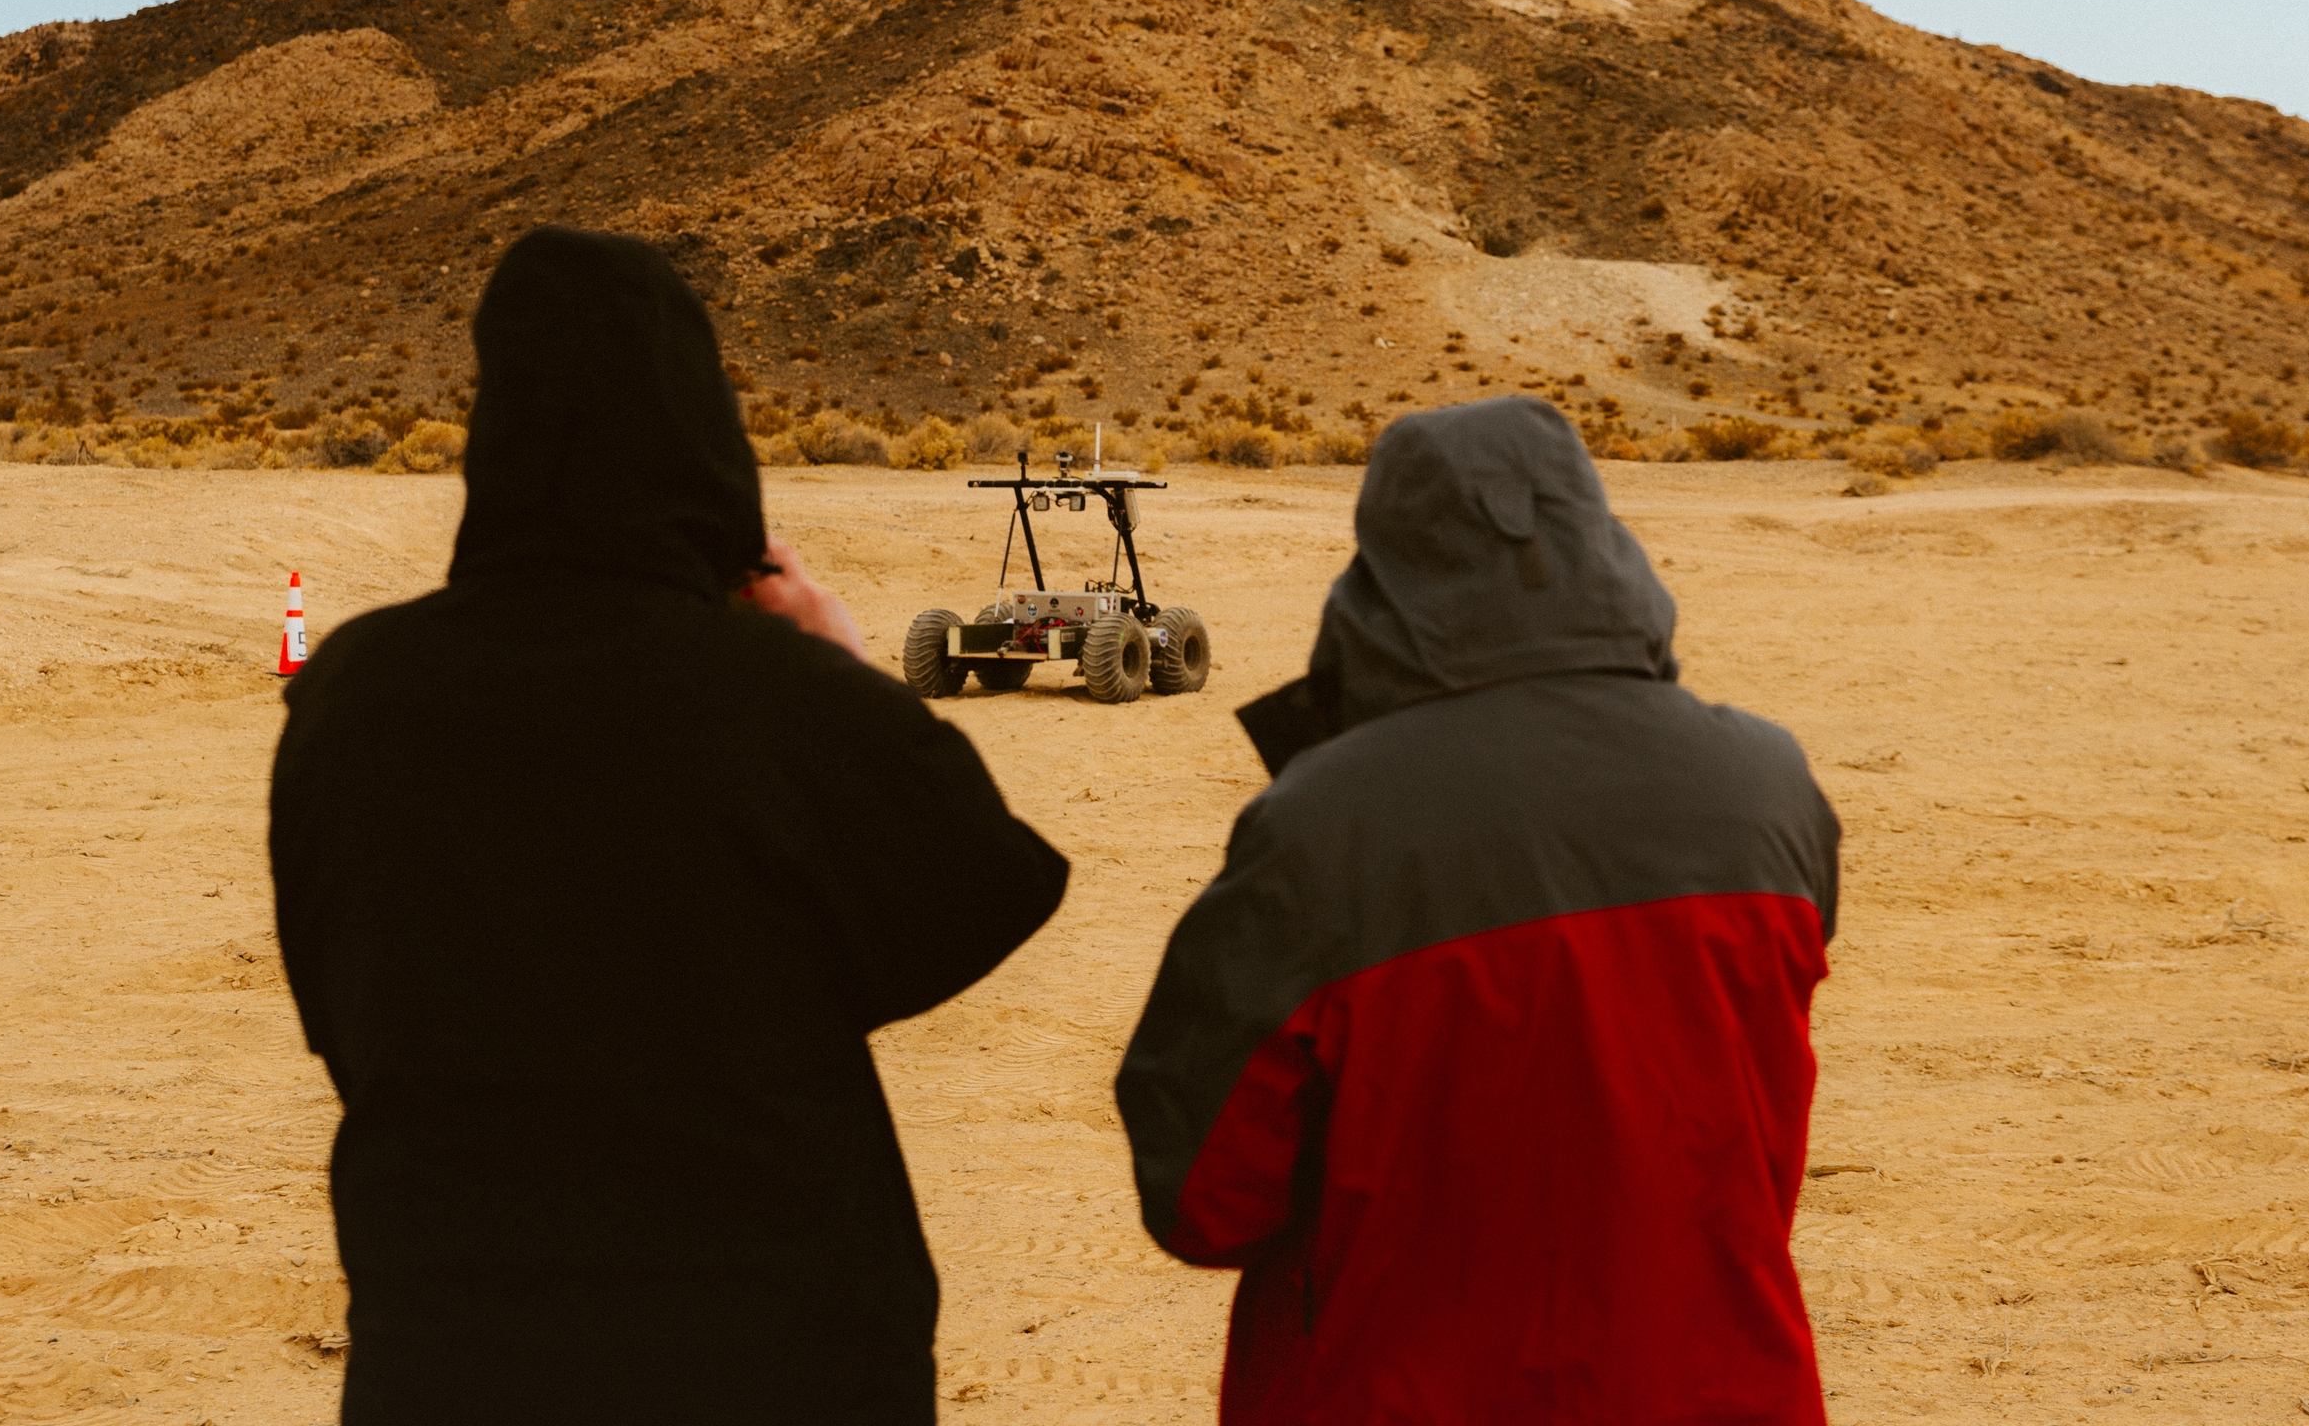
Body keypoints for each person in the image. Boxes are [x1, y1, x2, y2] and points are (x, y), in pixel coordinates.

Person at [270, 226, 1068, 1423]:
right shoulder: (772, 697)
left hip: (455, 1352)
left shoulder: (349, 693)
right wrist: (840, 661)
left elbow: (338, 1004)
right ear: (702, 432)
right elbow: (979, 885)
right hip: (771, 1357)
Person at [1115, 395, 1840, 1424]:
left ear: (1385, 563)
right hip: (1718, 1386)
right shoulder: (1767, 783)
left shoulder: (1323, 828)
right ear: (1600, 533)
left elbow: (1202, 1197)